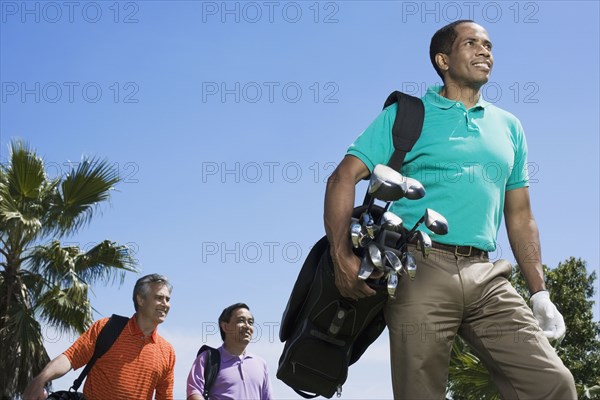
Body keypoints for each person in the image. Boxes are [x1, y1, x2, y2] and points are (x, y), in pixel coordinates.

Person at [323, 20, 577, 399]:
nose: (485, 51)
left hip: (487, 274)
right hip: (418, 268)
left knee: (554, 383)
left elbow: (521, 215)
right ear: (443, 59)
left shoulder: (510, 127)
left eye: (489, 45)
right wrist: (341, 255)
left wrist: (539, 292)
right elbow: (342, 178)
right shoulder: (408, 114)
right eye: (471, 43)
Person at [23, 274, 176, 400]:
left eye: (168, 299)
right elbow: (70, 358)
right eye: (159, 298)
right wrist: (40, 380)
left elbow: (165, 397)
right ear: (141, 300)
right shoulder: (107, 328)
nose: (165, 304)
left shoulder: (167, 352)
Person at [186, 303, 272, 400]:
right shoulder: (206, 358)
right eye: (241, 320)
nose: (247, 326)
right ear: (225, 326)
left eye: (250, 322)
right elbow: (194, 392)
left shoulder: (261, 364)